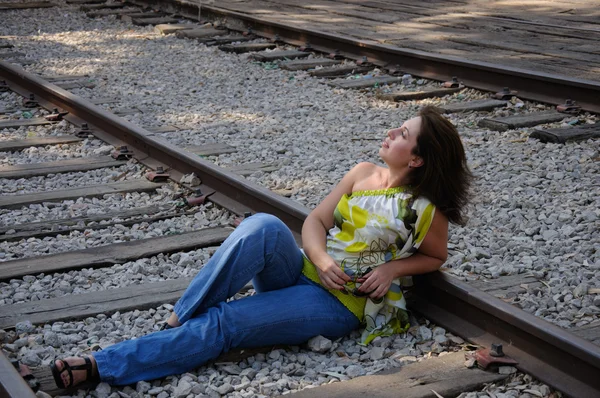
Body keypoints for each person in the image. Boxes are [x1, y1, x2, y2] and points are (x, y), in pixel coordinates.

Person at [50, 105, 472, 389]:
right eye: (399, 126)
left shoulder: (425, 208)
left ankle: (103, 365)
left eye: (403, 133)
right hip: (306, 271)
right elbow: (315, 221)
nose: (391, 131)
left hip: (341, 304)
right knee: (262, 225)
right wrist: (321, 258)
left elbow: (435, 256)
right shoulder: (362, 172)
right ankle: (182, 316)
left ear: (416, 159)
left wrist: (392, 270)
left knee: (227, 321)